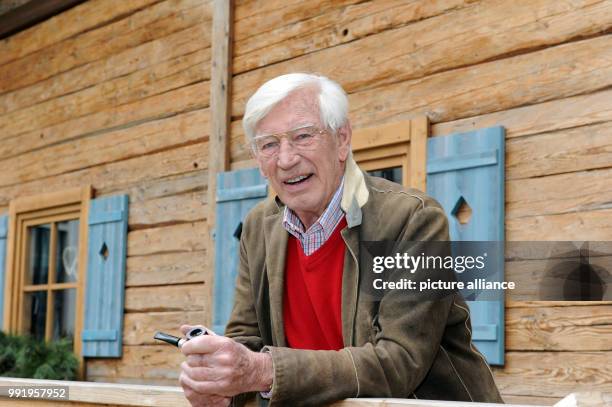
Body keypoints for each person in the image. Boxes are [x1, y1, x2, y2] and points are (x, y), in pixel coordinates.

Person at [179, 73, 503, 406]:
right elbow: (247, 340)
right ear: (259, 160)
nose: (286, 159)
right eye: (269, 144)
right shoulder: (258, 227)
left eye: (303, 136)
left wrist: (265, 370)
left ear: (342, 139)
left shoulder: (413, 219)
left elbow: (399, 361)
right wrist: (221, 386)